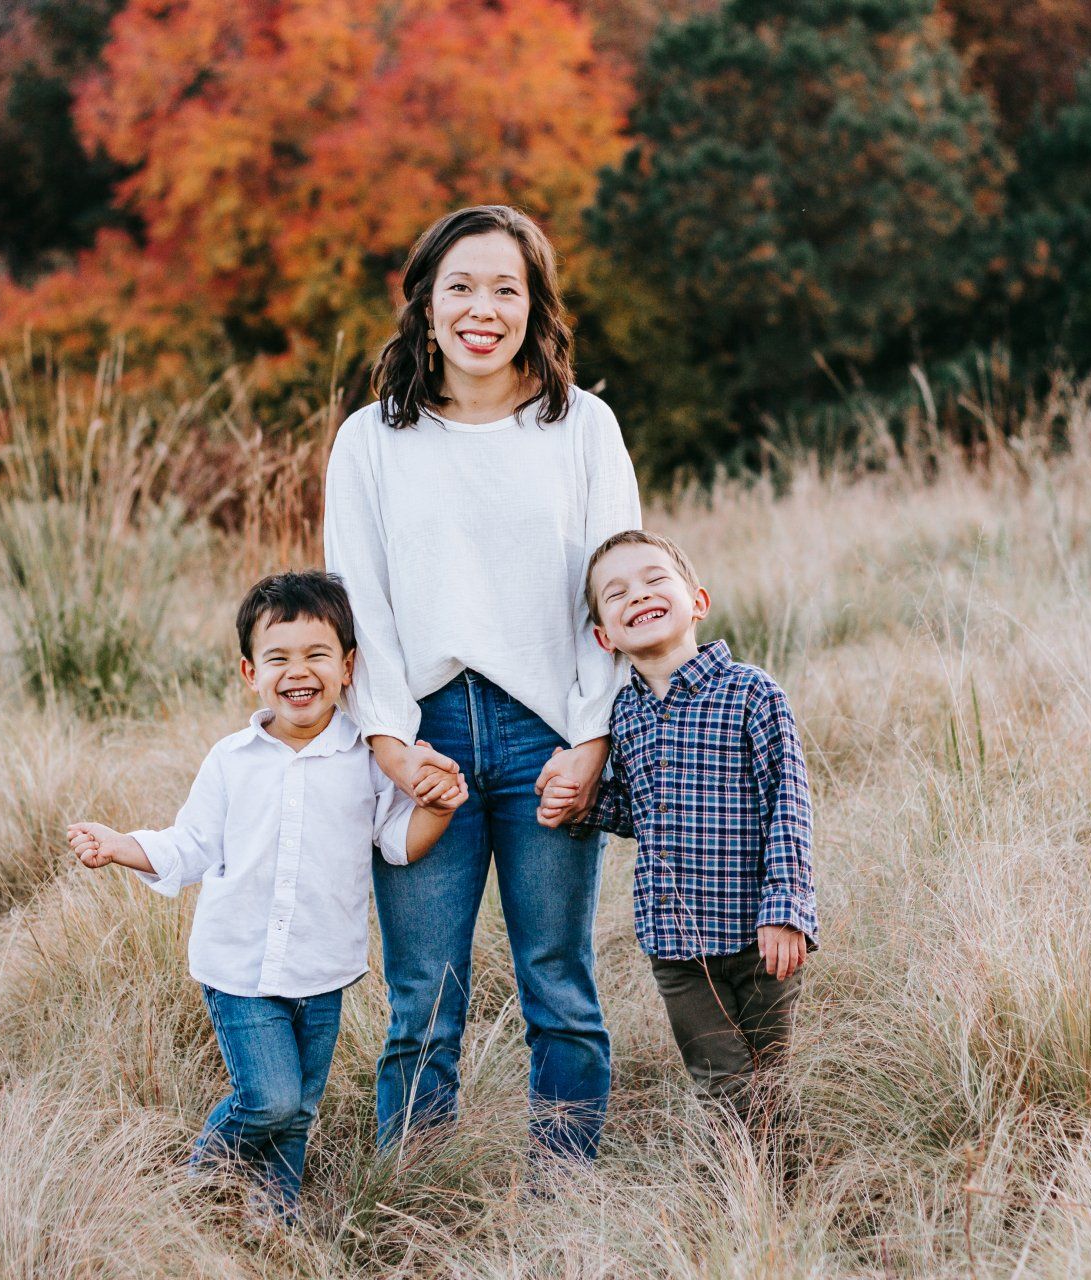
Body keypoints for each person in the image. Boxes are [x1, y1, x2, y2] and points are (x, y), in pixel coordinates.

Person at [324, 205, 642, 1164]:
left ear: (534, 305)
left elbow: (615, 585)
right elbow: (357, 601)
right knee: (423, 998)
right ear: (425, 303)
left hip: (550, 733)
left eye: (507, 288)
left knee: (560, 986)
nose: (482, 309)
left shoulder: (583, 427)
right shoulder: (371, 441)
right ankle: (415, 1198)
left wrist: (592, 741)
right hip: (422, 739)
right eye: (460, 286)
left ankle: (568, 1204)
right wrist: (386, 742)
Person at [66, 572, 465, 1215]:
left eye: (317, 655)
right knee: (270, 1099)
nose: (297, 672)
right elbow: (191, 844)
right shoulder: (232, 759)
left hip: (322, 968)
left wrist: (438, 807)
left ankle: (272, 1220)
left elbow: (400, 842)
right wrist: (120, 844)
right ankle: (194, 1183)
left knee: (300, 1111)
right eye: (278, 657)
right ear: (250, 671)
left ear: (349, 667)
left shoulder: (367, 761)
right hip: (239, 967)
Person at [540, 530, 817, 1123]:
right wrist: (582, 804)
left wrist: (786, 909)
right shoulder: (625, 714)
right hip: (677, 946)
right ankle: (743, 1199)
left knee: (769, 1076)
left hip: (758, 935)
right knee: (721, 1081)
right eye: (615, 594)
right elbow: (644, 813)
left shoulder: (751, 693)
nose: (637, 595)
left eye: (653, 579)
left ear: (698, 600)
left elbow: (788, 805)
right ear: (604, 636)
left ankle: (787, 1196)